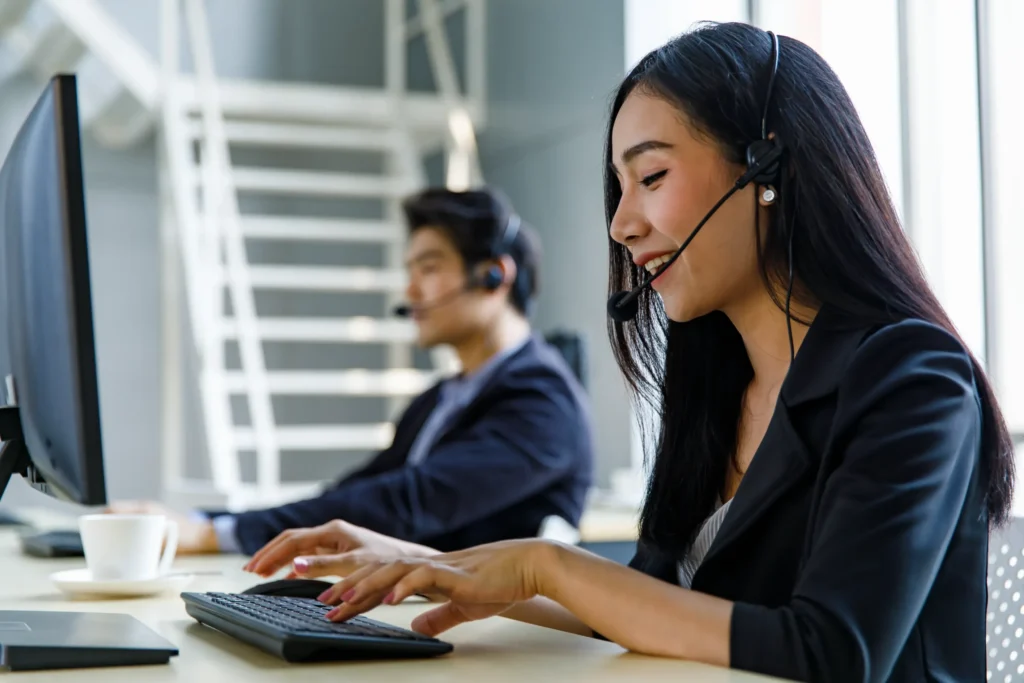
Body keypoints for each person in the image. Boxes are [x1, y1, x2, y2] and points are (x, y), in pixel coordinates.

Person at [240, 23, 1015, 683]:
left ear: (767, 167)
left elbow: (830, 652)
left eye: (651, 175)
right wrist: (444, 565)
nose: (622, 223)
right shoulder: (716, 382)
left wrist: (551, 563)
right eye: (620, 187)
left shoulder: (913, 380)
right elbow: (652, 607)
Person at [112, 187, 595, 556]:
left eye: (428, 268)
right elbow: (353, 494)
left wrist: (212, 535)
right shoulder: (444, 398)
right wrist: (204, 520)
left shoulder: (543, 402)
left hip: (495, 643)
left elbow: (408, 504)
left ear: (494, 276)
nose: (410, 291)